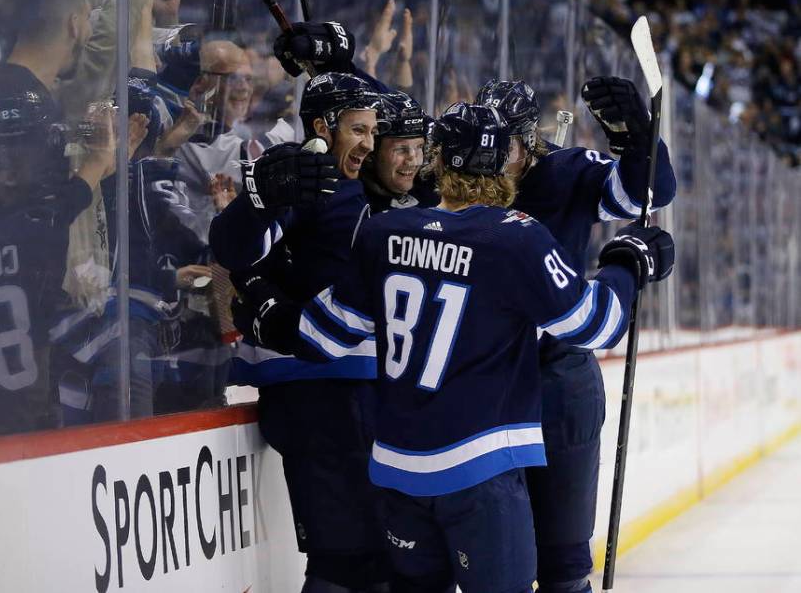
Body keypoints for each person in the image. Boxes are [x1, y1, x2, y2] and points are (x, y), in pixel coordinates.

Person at [231, 103, 676, 593]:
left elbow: (323, 334)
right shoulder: (516, 239)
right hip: (479, 472)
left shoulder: (383, 234)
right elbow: (596, 324)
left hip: (397, 470)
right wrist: (629, 263)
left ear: (437, 160)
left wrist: (261, 305)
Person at [475, 77, 677, 593]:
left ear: (530, 141)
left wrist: (638, 141)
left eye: (510, 146)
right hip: (482, 389)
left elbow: (648, 194)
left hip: (559, 383)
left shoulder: (566, 171)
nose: (497, 159)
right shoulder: (463, 175)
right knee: (499, 570)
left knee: (564, 567)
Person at [209, 72, 393, 592]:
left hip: (356, 394)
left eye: (373, 131)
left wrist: (345, 61)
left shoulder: (358, 185)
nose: (369, 143)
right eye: (359, 130)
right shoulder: (304, 179)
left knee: (375, 557)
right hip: (321, 396)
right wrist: (259, 200)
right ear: (321, 126)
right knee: (346, 562)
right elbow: (233, 248)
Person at [0, 0, 119, 432]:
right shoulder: (30, 104)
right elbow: (39, 217)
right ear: (75, 24)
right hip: (18, 320)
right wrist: (94, 166)